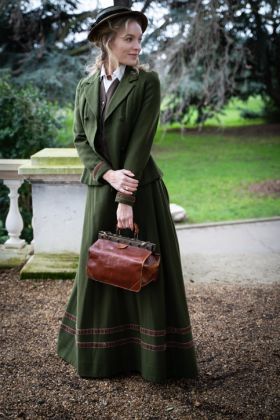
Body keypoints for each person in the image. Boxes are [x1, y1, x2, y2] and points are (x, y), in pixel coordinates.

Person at [57, 4, 198, 383]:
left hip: (140, 193)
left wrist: (125, 197)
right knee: (101, 270)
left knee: (143, 273)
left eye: (140, 39)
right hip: (101, 190)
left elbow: (140, 142)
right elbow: (80, 141)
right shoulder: (84, 88)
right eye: (129, 39)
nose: (137, 46)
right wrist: (107, 176)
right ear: (107, 41)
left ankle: (151, 359)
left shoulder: (145, 82)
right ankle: (102, 356)